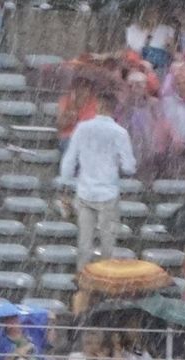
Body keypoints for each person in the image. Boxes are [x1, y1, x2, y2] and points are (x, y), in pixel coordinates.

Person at [60, 92, 136, 272]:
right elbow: (129, 167)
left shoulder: (82, 128)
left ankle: (82, 281)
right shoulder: (120, 133)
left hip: (85, 190)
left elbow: (70, 159)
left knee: (84, 244)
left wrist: (65, 182)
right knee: (107, 245)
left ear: (98, 106)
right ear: (114, 109)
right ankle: (104, 282)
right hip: (108, 193)